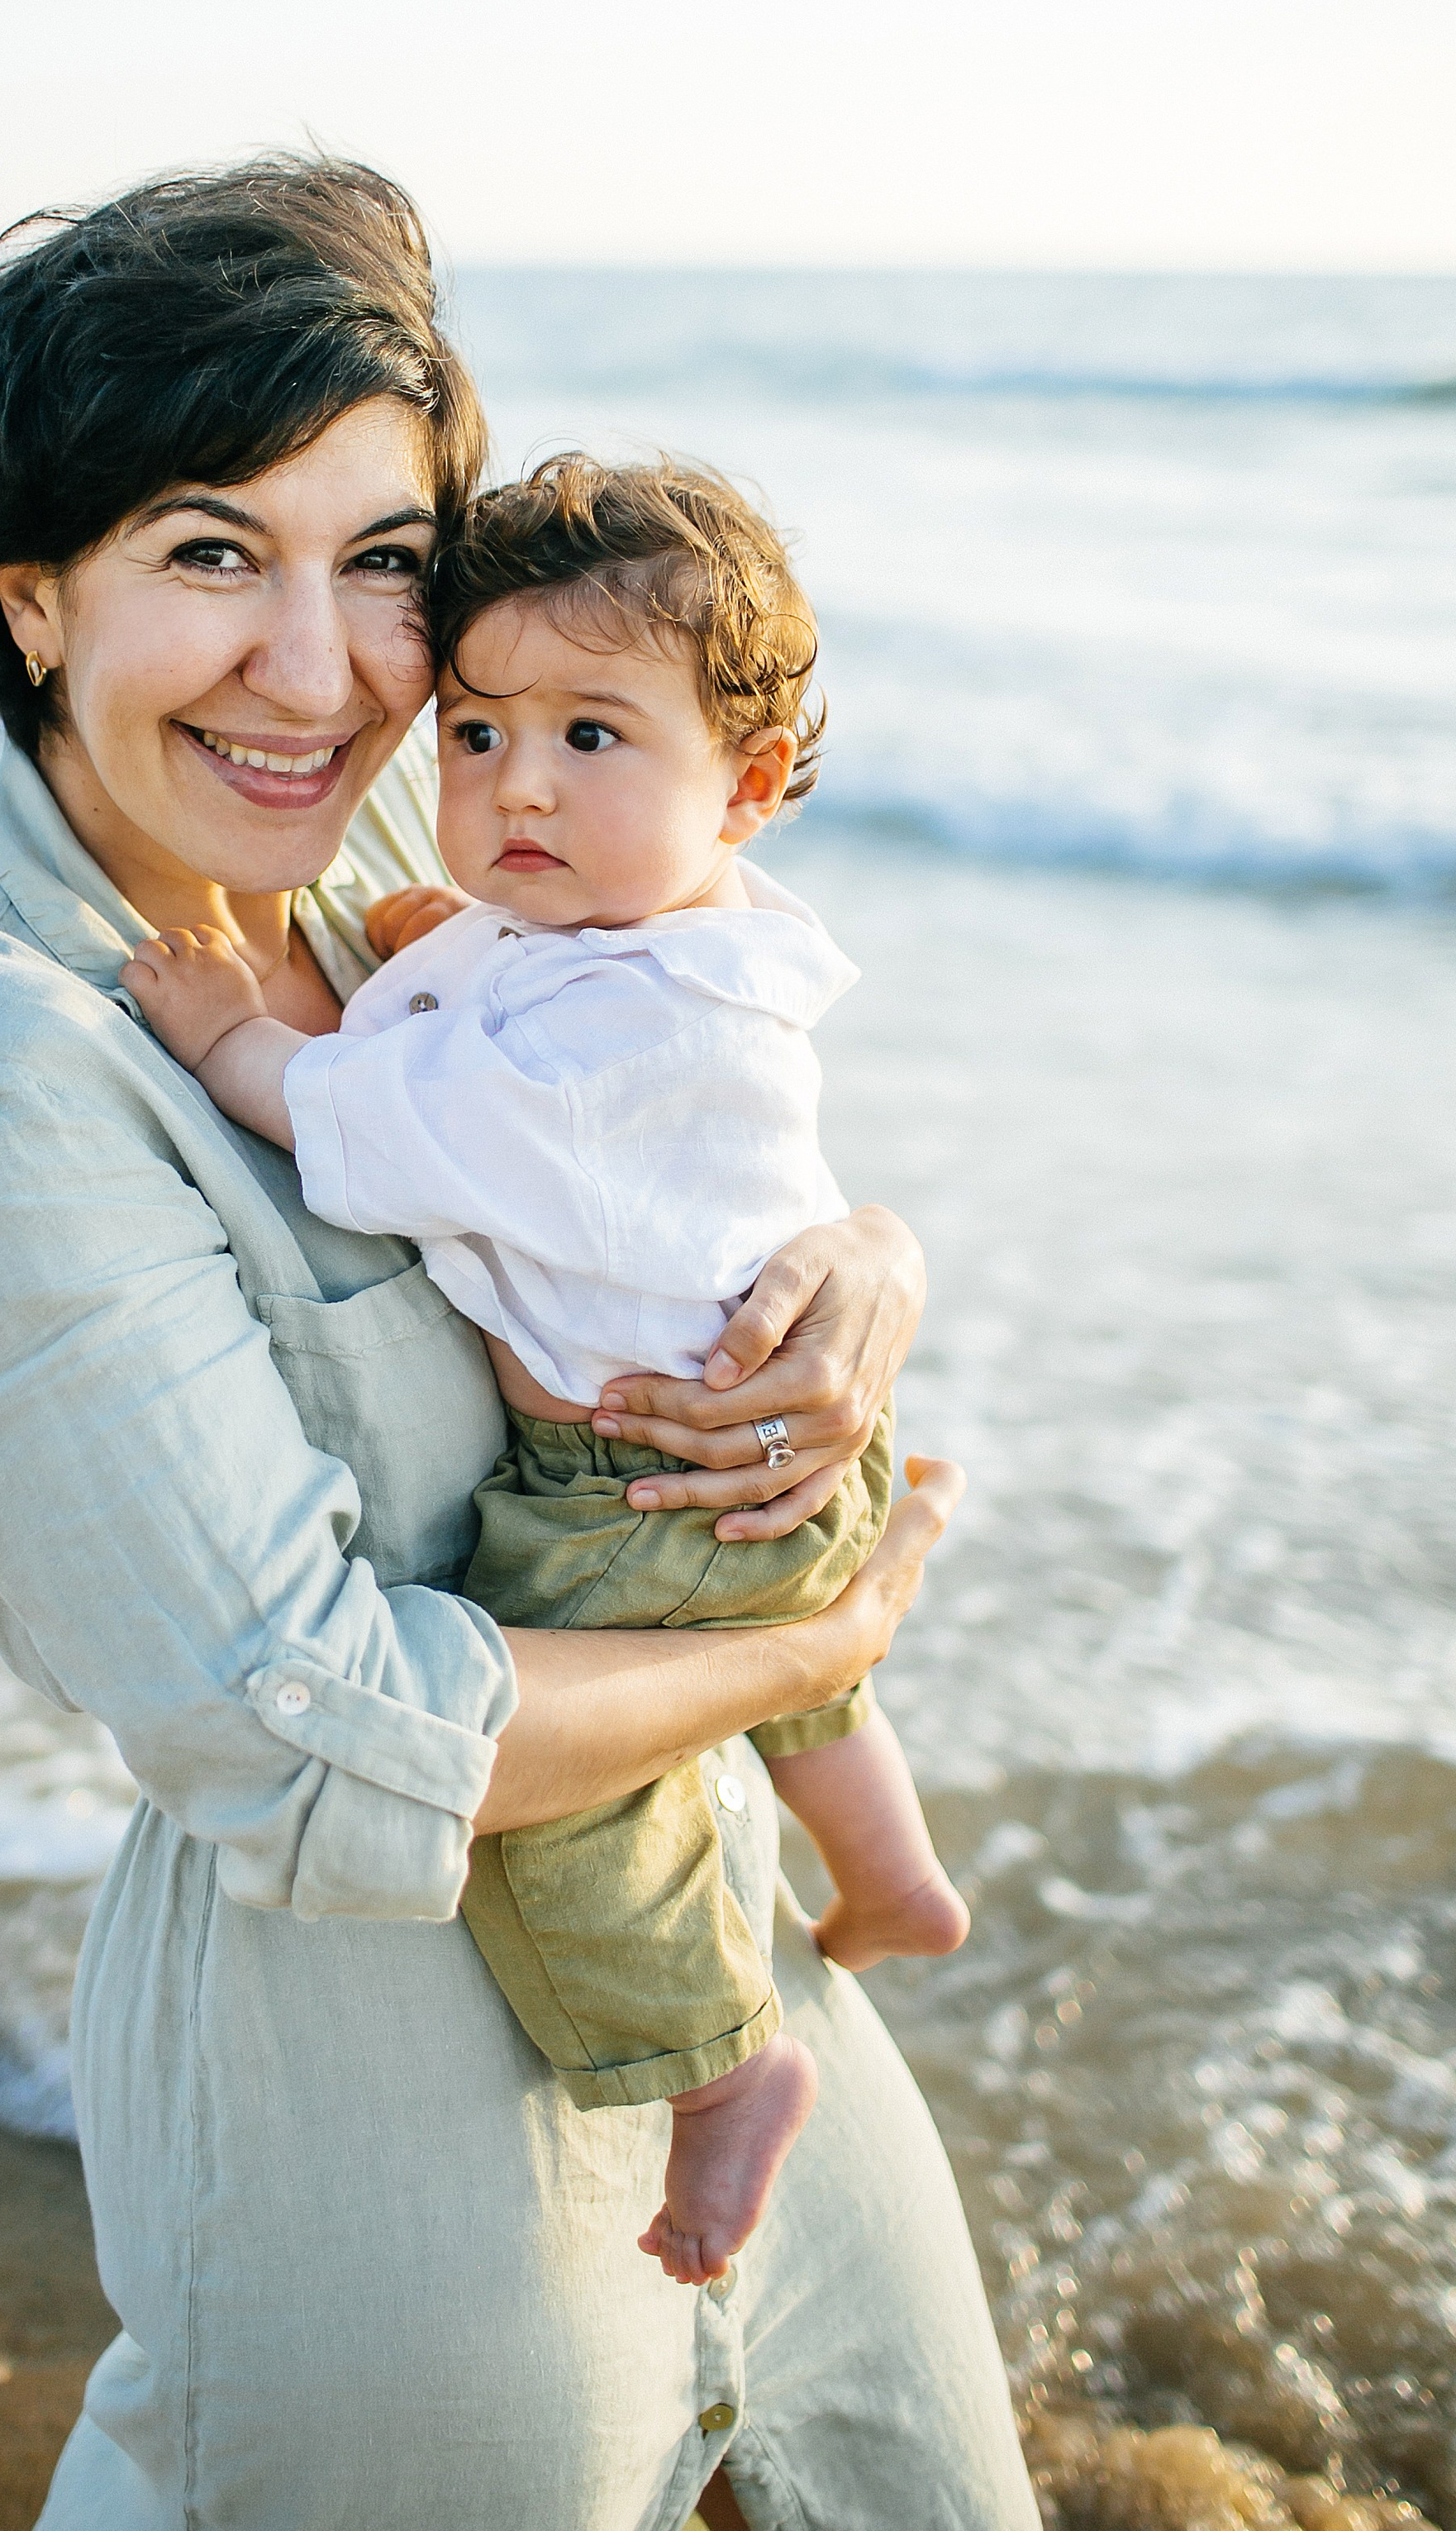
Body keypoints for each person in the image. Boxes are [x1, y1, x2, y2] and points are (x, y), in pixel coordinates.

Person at [0, 156, 1044, 2531]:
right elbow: (309, 1741)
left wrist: (870, 1273)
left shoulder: (415, 816)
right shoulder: (4, 1070)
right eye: (207, 551)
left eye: (383, 558)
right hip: (367, 2064)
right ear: (26, 592)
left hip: (701, 1926)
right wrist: (817, 1627)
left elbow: (692, 1125)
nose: (322, 663)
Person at [123, 452, 969, 2300]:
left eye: (592, 739)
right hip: (768, 1452)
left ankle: (727, 2064)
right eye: (479, 731)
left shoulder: (596, 1039)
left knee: (572, 1782)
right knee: (801, 1628)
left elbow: (368, 1124)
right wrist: (468, 943)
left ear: (742, 787)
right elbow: (518, 987)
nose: (514, 787)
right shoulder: (677, 935)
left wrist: (222, 1035)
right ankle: (890, 1870)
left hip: (630, 1483)